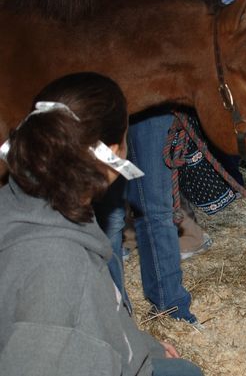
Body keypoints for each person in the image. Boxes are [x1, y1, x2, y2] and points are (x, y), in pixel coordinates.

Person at [0, 0, 218, 324]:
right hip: (90, 70)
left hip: (157, 72)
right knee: (104, 207)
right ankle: (115, 316)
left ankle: (171, 307)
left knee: (158, 205)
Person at [0, 72, 202, 376]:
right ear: (114, 153)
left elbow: (98, 309)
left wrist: (140, 343)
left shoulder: (36, 203)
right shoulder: (60, 266)